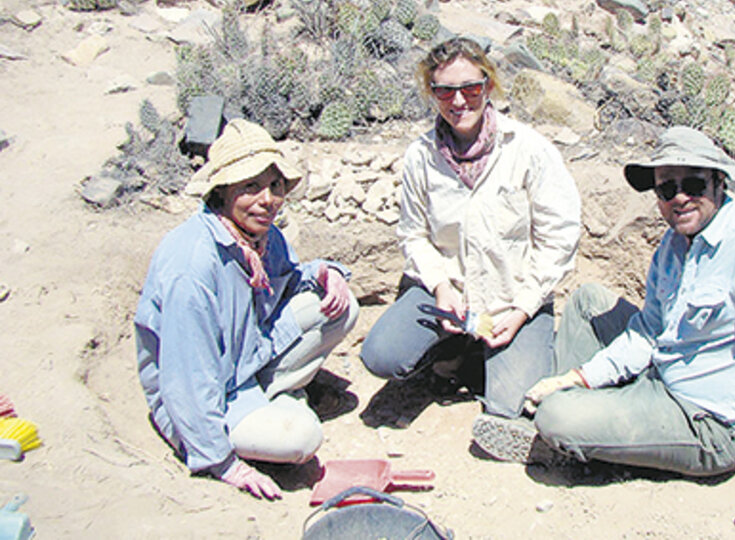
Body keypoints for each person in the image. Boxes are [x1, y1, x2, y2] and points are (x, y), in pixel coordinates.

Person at [474, 126, 735, 539]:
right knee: (588, 300)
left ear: (720, 183)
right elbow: (649, 330)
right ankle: (586, 412)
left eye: (694, 184)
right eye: (666, 190)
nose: (679, 198)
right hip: (663, 372)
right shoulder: (675, 243)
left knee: (558, 416)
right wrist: (577, 377)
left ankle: (562, 439)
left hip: (709, 421)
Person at [360, 37, 581, 422]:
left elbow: (559, 236)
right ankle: (451, 349)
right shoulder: (421, 156)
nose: (458, 101)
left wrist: (524, 307)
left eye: (470, 88)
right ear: (432, 93)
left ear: (488, 86)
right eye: (445, 90)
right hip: (452, 295)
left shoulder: (528, 149)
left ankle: (490, 356)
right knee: (382, 356)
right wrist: (442, 288)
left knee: (510, 406)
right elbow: (413, 234)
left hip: (512, 298)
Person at [134, 118, 358, 500]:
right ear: (222, 193)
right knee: (303, 437)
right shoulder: (192, 266)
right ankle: (275, 408)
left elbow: (287, 279)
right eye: (250, 187)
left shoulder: (259, 237)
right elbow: (187, 376)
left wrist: (325, 271)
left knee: (341, 305)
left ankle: (275, 398)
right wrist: (222, 463)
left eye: (274, 187)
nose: (267, 199)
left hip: (243, 363)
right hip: (207, 396)